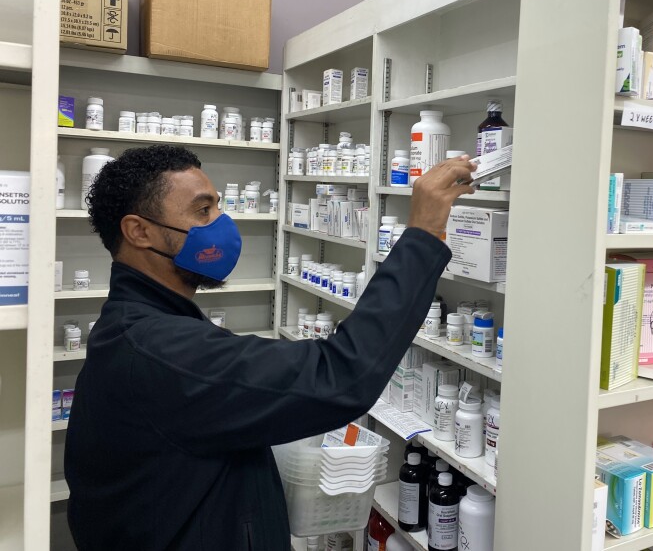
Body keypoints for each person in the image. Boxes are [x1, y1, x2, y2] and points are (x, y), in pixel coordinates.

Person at [65, 144, 475, 550]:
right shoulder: (156, 349)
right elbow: (341, 375)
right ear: (139, 231)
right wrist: (422, 234)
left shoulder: (147, 321)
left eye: (218, 207)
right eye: (202, 211)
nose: (222, 223)